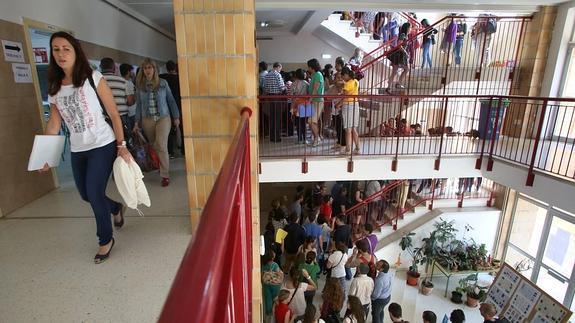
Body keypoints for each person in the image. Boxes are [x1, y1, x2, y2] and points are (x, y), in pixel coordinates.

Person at [43, 31, 130, 263]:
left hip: (103, 143)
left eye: (66, 49)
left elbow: (113, 113)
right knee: (86, 195)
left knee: (93, 192)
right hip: (78, 149)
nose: (61, 54)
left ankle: (105, 240)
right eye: (56, 49)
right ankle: (115, 207)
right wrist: (45, 155)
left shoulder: (93, 77)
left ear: (75, 51)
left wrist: (121, 145)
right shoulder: (54, 85)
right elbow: (54, 122)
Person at [133, 58, 180, 187]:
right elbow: (139, 105)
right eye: (145, 68)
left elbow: (170, 100)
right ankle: (161, 164)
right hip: (147, 119)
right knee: (154, 145)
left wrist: (176, 116)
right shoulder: (140, 86)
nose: (148, 70)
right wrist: (136, 122)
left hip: (163, 118)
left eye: (150, 67)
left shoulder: (163, 83)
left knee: (161, 143)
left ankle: (165, 175)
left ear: (154, 69)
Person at [100, 57, 135, 142]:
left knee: (108, 143)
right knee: (125, 142)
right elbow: (130, 102)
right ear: (114, 68)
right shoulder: (122, 81)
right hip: (122, 117)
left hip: (103, 118)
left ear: (101, 67)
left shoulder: (95, 81)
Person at [159, 60, 183, 157]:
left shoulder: (163, 78)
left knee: (167, 130)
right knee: (181, 127)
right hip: (179, 105)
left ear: (167, 68)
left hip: (166, 107)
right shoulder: (180, 78)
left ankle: (170, 152)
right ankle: (183, 150)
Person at [336, 66, 361, 154]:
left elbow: (345, 96)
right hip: (355, 104)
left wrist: (338, 105)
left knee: (348, 129)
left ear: (346, 75)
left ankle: (347, 150)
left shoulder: (347, 84)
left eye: (343, 76)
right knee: (354, 128)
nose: (342, 78)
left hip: (348, 105)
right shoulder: (356, 82)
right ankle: (358, 148)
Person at [263, 62, 286, 143]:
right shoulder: (277, 75)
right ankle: (277, 137)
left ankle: (271, 137)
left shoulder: (267, 75)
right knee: (277, 117)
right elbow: (281, 87)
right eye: (280, 68)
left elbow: (264, 87)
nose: (280, 70)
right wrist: (286, 86)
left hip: (270, 98)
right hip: (277, 97)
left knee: (272, 117)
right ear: (278, 67)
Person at [307, 58, 325, 147]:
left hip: (317, 101)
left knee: (312, 121)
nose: (308, 69)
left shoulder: (318, 75)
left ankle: (317, 139)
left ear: (312, 67)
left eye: (309, 67)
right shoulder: (315, 75)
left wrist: (310, 99)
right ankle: (316, 138)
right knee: (311, 121)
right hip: (314, 101)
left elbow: (315, 89)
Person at [291, 68, 311, 144]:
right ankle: (305, 139)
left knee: (298, 122)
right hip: (305, 104)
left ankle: (299, 139)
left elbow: (291, 95)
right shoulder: (306, 83)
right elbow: (309, 94)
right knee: (304, 122)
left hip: (296, 104)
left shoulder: (293, 83)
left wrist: (292, 106)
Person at [262, 250, 282, 319]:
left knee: (268, 299)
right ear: (272, 258)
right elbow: (278, 273)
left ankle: (268, 313)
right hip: (274, 284)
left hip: (266, 284)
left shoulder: (263, 264)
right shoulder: (275, 265)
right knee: (275, 298)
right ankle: (276, 312)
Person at [119, 63, 136, 134]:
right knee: (135, 134)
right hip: (131, 113)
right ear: (128, 72)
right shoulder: (128, 84)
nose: (133, 73)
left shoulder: (119, 82)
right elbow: (130, 102)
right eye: (132, 71)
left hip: (123, 114)